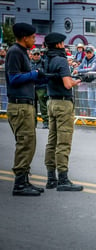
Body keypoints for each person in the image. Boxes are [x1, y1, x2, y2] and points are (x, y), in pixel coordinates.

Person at [5, 23, 45, 196]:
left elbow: (26, 78)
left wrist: (44, 77)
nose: (34, 40)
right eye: (32, 37)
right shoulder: (15, 52)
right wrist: (34, 74)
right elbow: (13, 78)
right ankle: (20, 184)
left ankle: (24, 180)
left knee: (29, 143)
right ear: (24, 37)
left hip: (26, 104)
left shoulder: (21, 52)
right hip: (19, 105)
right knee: (25, 143)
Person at [43, 32, 83, 191]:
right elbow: (67, 84)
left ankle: (51, 178)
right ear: (58, 44)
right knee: (63, 141)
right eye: (62, 43)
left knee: (51, 141)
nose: (64, 45)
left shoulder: (48, 59)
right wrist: (78, 81)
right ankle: (63, 179)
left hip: (51, 101)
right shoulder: (61, 59)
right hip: (63, 103)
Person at [73, 46, 96, 118]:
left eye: (90, 53)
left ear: (92, 53)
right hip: (89, 82)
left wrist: (79, 71)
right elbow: (80, 66)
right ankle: (92, 114)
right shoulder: (84, 59)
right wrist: (76, 69)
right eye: (87, 53)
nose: (88, 54)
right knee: (90, 99)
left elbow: (92, 69)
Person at [30, 47, 49, 129]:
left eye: (38, 54)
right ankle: (33, 123)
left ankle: (45, 122)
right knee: (32, 107)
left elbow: (47, 75)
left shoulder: (44, 63)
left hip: (41, 87)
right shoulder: (28, 63)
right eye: (35, 54)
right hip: (32, 87)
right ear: (32, 55)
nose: (37, 56)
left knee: (43, 106)